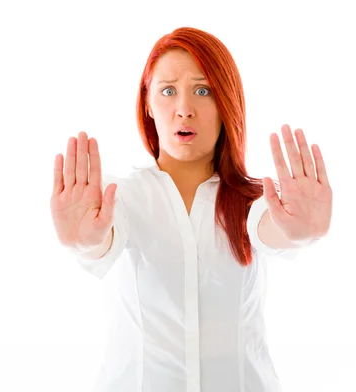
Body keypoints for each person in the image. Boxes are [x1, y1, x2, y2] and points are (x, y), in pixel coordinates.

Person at [49, 27, 332, 392]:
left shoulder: (255, 200)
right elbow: (100, 239)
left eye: (203, 90)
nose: (184, 109)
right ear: (148, 103)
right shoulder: (121, 196)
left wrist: (301, 232)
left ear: (226, 101)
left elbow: (272, 229)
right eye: (168, 91)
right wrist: (82, 243)